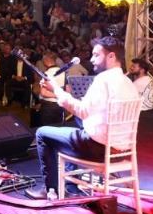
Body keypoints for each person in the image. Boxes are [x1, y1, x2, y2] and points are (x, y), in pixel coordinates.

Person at [27, 37, 139, 199]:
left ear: (111, 56)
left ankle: (51, 189)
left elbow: (82, 111)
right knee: (77, 127)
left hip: (98, 149)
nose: (91, 59)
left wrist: (56, 89)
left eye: (96, 55)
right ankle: (71, 185)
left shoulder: (102, 80)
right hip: (122, 151)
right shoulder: (129, 83)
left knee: (42, 133)